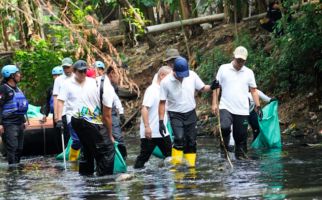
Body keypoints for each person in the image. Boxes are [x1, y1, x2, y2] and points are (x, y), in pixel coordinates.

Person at [57, 60, 116, 175]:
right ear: (74, 71)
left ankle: (86, 177)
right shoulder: (67, 84)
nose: (83, 74)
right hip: (79, 118)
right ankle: (105, 181)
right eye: (80, 71)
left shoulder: (91, 82)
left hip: (82, 119)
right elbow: (107, 115)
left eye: (85, 71)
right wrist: (59, 119)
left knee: (87, 148)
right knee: (106, 150)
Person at [159, 57, 218, 167]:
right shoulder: (165, 82)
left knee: (191, 141)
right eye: (180, 75)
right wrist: (161, 121)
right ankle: (176, 167)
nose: (182, 77)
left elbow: (202, 88)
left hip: (190, 113)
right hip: (175, 114)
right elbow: (162, 102)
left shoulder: (192, 75)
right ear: (174, 71)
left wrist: (211, 86)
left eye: (184, 75)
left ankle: (190, 168)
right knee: (179, 138)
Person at [212, 46, 262, 160]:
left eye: (243, 61)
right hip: (226, 106)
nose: (240, 63)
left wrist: (258, 106)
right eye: (238, 60)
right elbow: (216, 87)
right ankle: (223, 149)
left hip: (242, 109)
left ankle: (241, 160)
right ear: (233, 57)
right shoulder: (223, 68)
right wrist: (214, 103)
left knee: (241, 138)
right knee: (224, 127)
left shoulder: (249, 72)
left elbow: (253, 90)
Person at [134, 66, 172, 169]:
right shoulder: (152, 90)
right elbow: (144, 109)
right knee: (143, 158)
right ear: (162, 75)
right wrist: (147, 127)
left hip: (162, 132)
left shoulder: (164, 89)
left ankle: (166, 176)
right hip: (150, 132)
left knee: (171, 154)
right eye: (169, 77)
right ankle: (135, 174)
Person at [0, 65, 28, 165]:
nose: (19, 75)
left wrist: (24, 121)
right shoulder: (3, 89)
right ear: (12, 76)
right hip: (9, 123)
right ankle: (12, 173)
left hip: (19, 122)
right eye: (17, 73)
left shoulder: (17, 89)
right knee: (13, 148)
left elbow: (21, 106)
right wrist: (0, 124)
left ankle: (16, 172)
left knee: (19, 149)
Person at [53, 57, 80, 161]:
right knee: (67, 137)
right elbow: (56, 97)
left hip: (77, 112)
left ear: (72, 66)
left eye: (68, 67)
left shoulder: (77, 77)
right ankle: (68, 157)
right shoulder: (59, 80)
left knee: (78, 137)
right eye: (64, 67)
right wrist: (56, 115)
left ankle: (78, 156)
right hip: (64, 112)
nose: (66, 70)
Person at [106, 66, 127, 160]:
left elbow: (116, 99)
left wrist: (121, 113)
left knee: (118, 138)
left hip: (112, 112)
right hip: (100, 113)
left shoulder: (112, 85)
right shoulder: (101, 83)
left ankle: (123, 158)